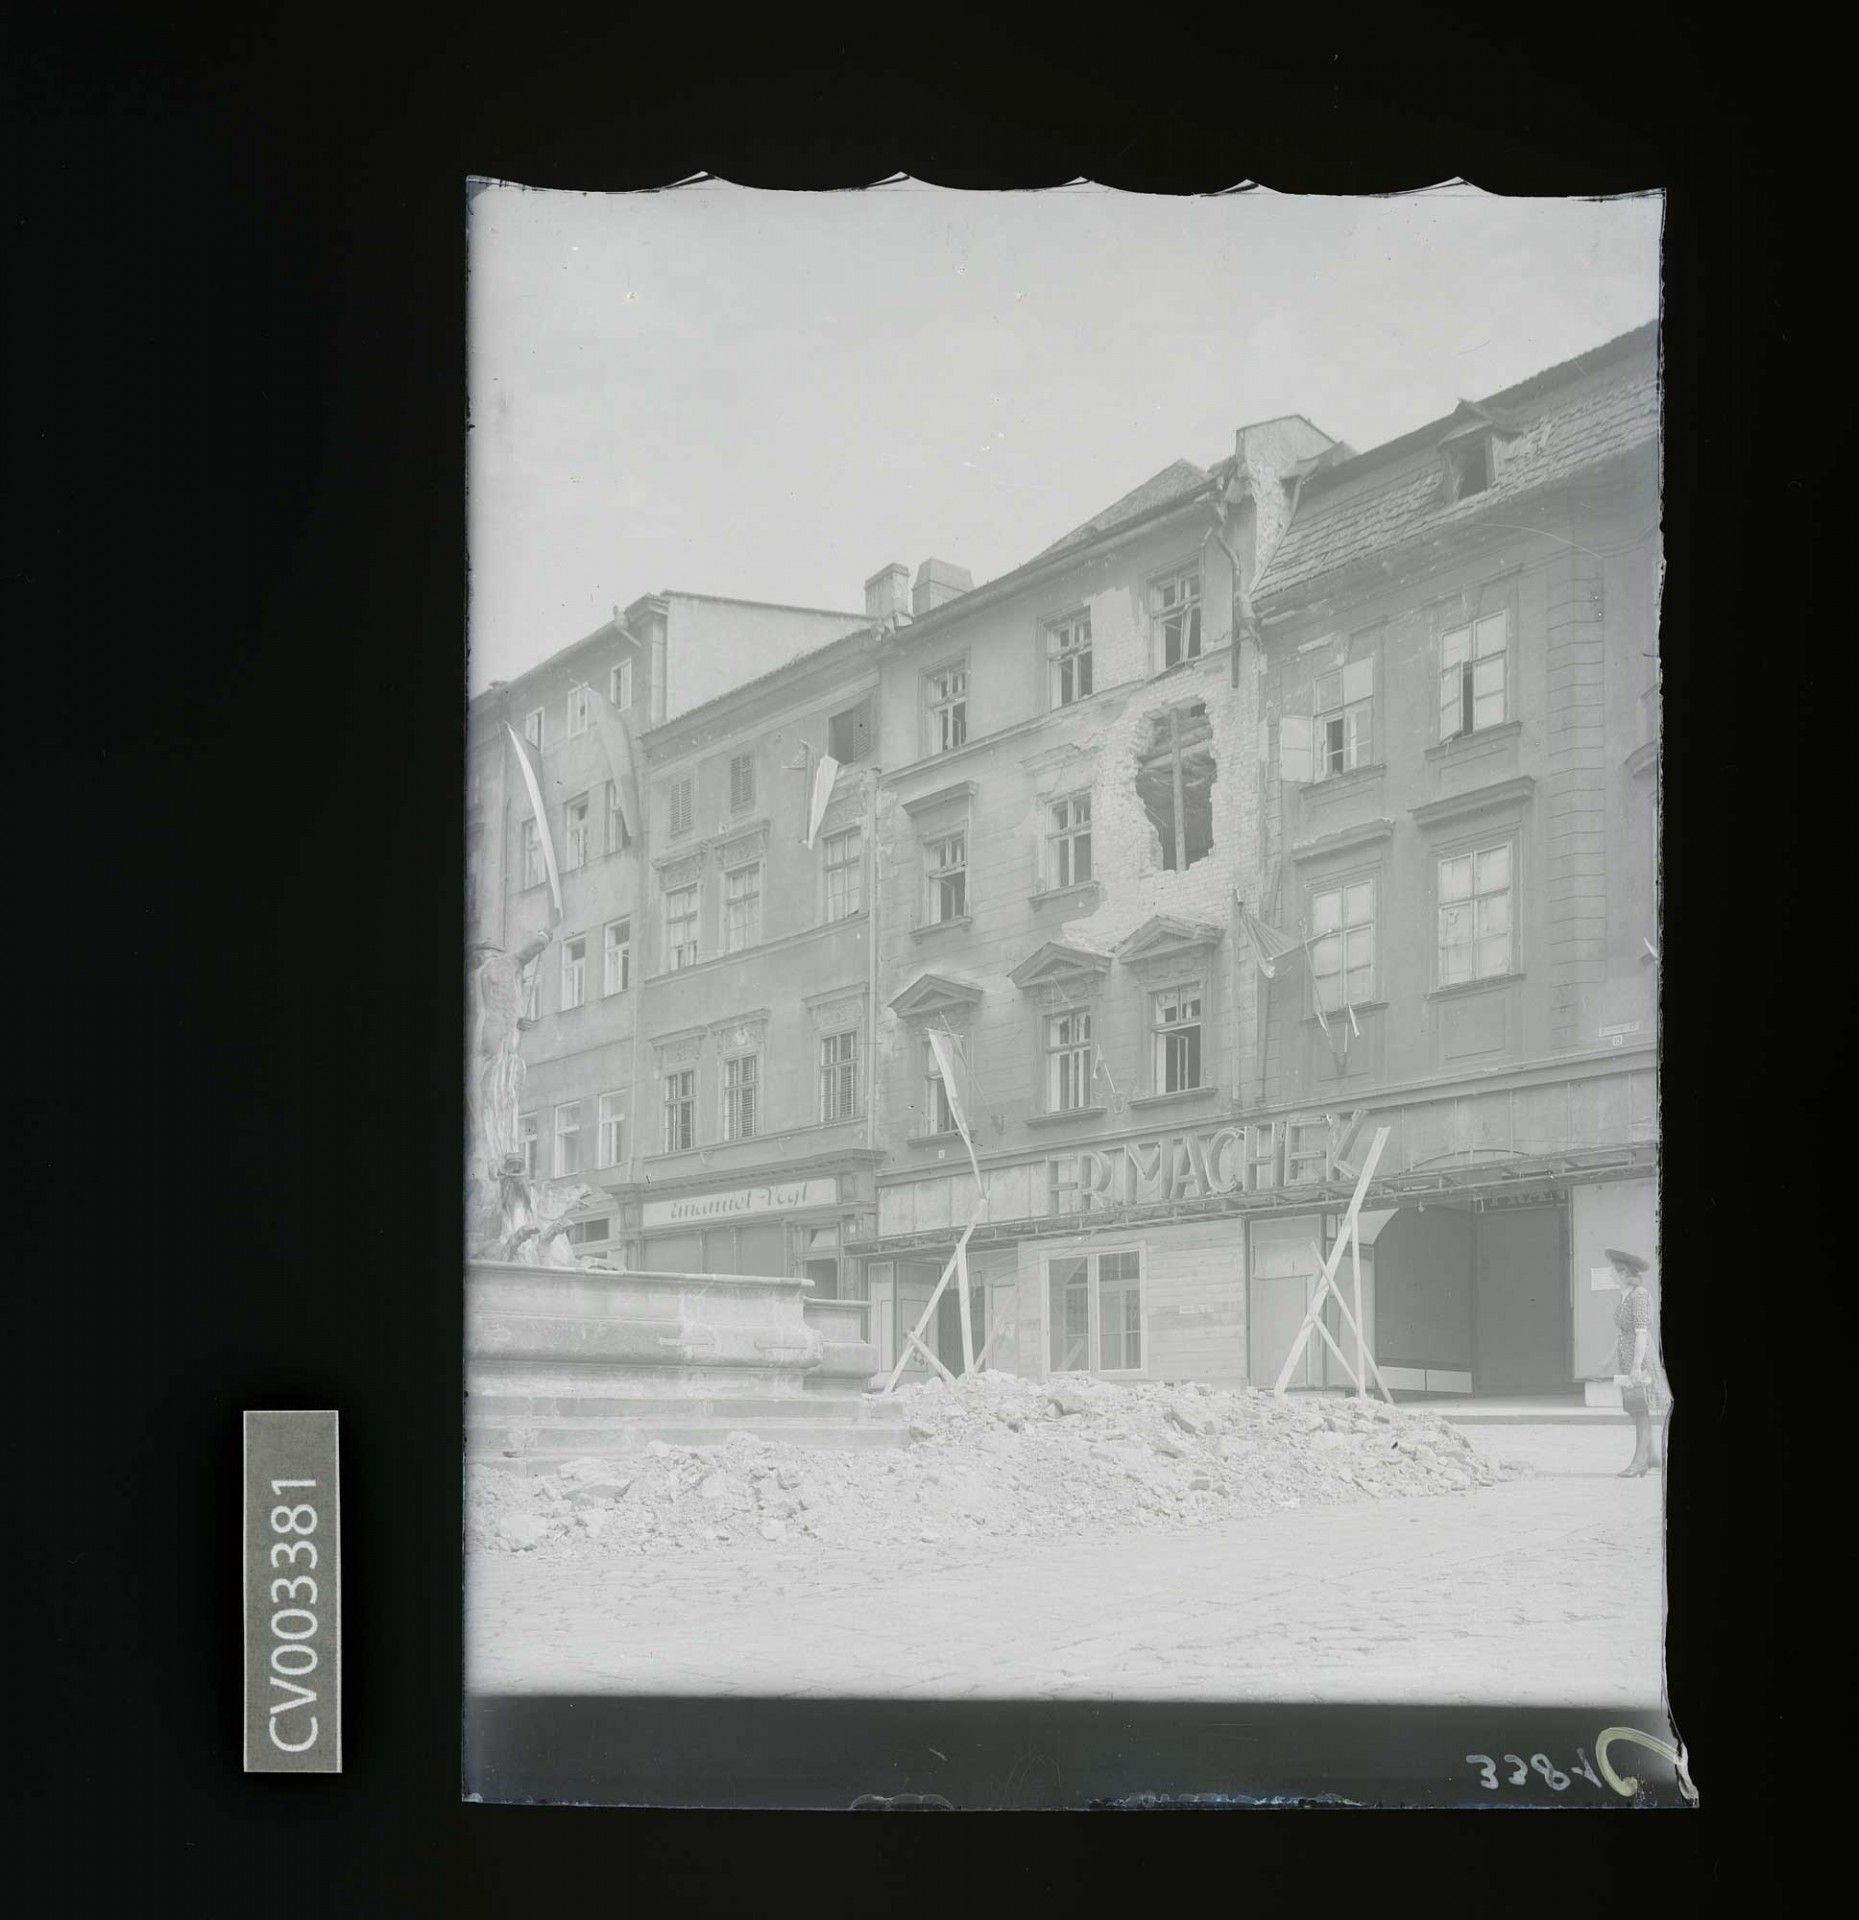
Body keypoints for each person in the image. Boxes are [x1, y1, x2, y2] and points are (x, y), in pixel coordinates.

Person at [1607, 1248, 1662, 1477]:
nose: (1610, 1274)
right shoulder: (1624, 1294)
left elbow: (1641, 1332)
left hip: (1640, 1358)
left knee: (1639, 1409)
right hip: (1627, 1357)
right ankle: (1652, 1456)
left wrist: (1637, 1367)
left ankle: (1640, 1462)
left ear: (1623, 1272)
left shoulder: (1639, 1295)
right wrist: (1609, 1358)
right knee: (1635, 1408)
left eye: (1612, 1270)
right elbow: (1623, 1331)